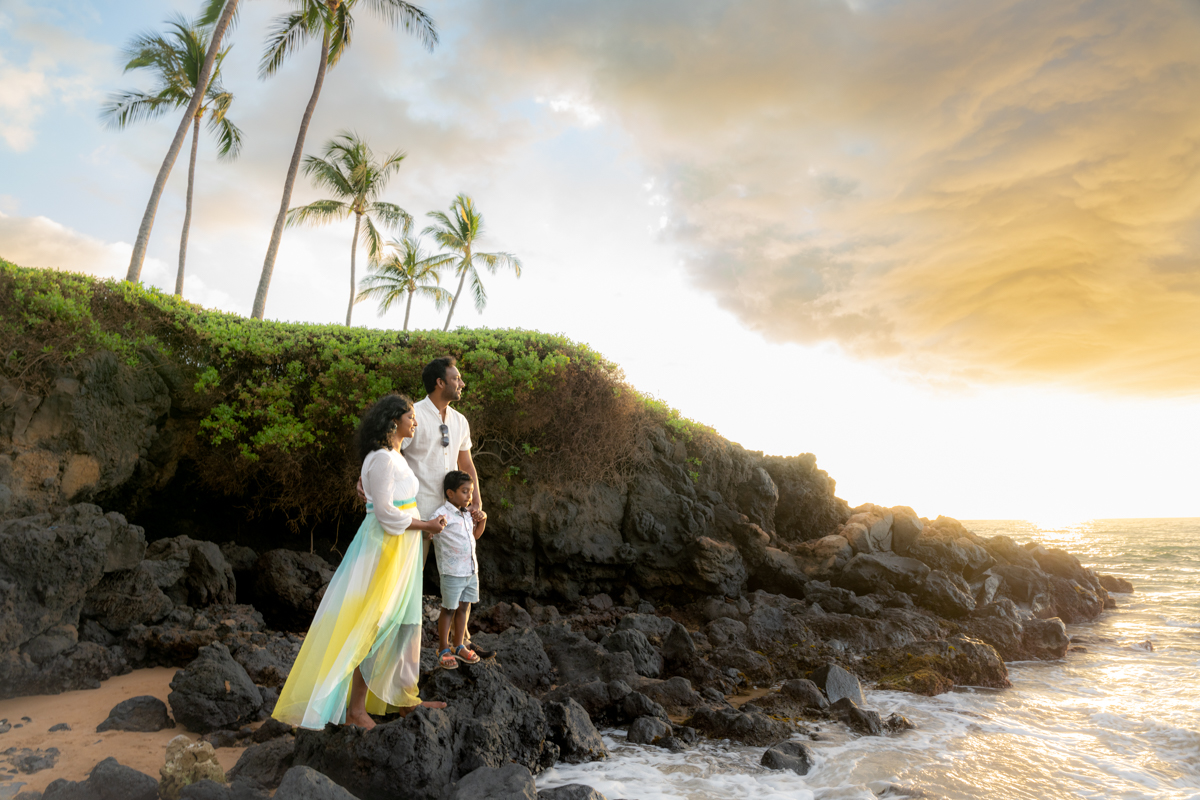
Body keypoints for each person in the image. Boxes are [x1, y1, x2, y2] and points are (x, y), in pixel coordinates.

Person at [273, 394, 448, 731]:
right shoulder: (381, 458)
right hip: (386, 548)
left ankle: (405, 700)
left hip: (403, 548)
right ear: (393, 421)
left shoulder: (392, 456)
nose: (415, 421)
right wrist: (425, 526)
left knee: (405, 624)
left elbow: (387, 498)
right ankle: (355, 709)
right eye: (410, 416)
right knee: (374, 625)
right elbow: (383, 512)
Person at [429, 470, 488, 669]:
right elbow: (429, 531)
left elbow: (476, 536)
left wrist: (483, 520)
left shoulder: (468, 514)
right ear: (450, 493)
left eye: (470, 492)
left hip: (470, 571)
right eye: (464, 491)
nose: (469, 496)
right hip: (452, 572)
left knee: (464, 607)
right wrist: (432, 529)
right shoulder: (441, 514)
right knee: (448, 609)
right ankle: (443, 648)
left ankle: (458, 645)